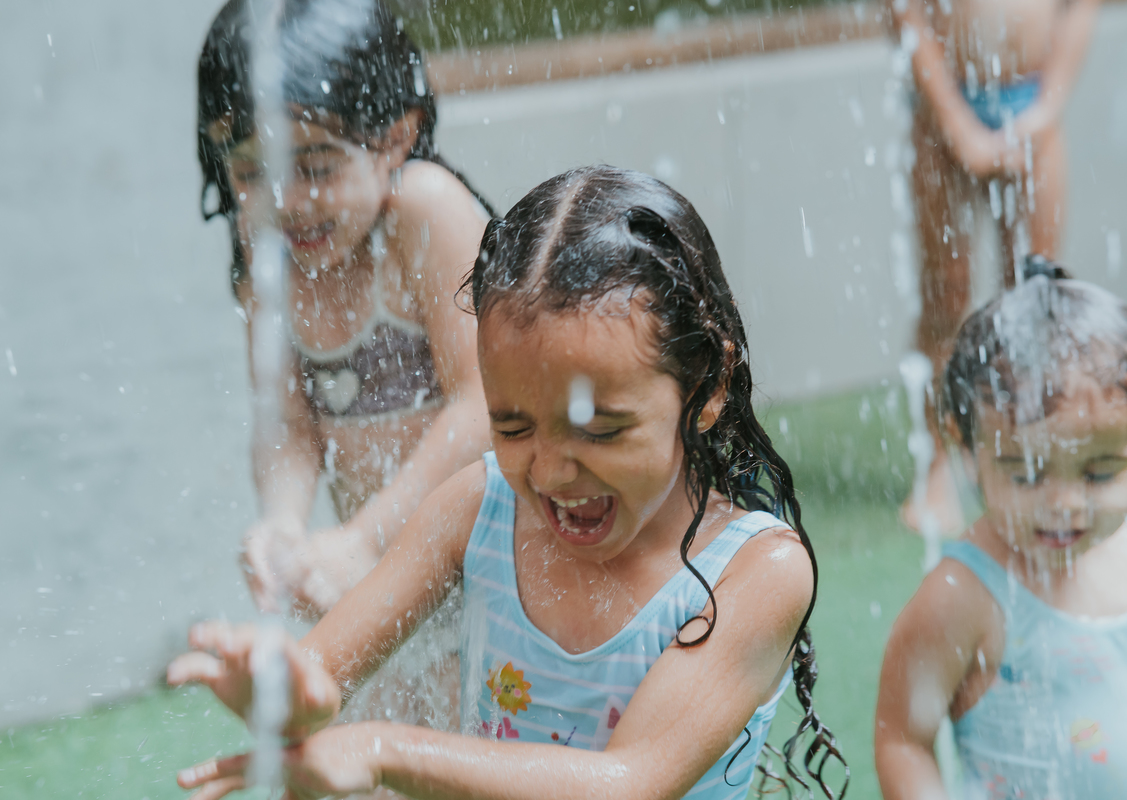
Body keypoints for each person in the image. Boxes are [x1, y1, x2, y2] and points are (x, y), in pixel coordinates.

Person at [166, 167, 845, 800]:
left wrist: (381, 749)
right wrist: (284, 692)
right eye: (513, 427)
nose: (549, 472)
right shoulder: (480, 506)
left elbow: (627, 782)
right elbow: (319, 672)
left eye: (600, 430)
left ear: (708, 386)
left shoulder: (755, 571)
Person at [198, 0, 492, 617]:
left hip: (495, 557)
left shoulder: (424, 212)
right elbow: (288, 425)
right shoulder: (266, 252)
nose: (288, 202)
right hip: (387, 577)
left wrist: (364, 540)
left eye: (315, 167)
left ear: (395, 138)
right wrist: (284, 526)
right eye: (252, 172)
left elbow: (482, 405)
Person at [875, 259, 1127, 799]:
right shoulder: (964, 596)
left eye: (1099, 472)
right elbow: (902, 740)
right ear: (969, 451)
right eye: (1026, 474)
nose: (1066, 503)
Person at [891, 0, 1101, 535]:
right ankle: (937, 464)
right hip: (946, 106)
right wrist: (958, 126)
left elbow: (1079, 8)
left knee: (1032, 290)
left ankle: (1021, 448)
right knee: (946, 292)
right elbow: (906, 15)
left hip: (1030, 98)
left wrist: (1047, 107)